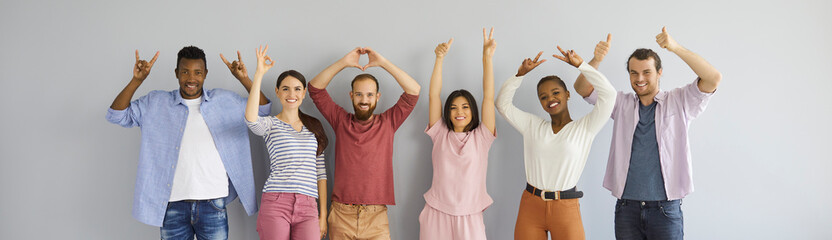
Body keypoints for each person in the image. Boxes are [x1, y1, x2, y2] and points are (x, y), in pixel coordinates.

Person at [105, 46, 271, 239]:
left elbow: (263, 110)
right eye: (185, 72)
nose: (191, 78)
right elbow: (116, 115)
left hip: (213, 203)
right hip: (172, 205)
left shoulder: (225, 101)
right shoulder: (156, 103)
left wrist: (244, 79)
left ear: (205, 74)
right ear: (176, 73)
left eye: (198, 73)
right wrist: (137, 80)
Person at [573, 27, 722, 240]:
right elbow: (582, 88)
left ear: (659, 72)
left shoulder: (679, 101)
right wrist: (595, 61)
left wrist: (675, 47)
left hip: (665, 210)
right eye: (634, 73)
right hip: (627, 209)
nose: (639, 78)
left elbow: (713, 78)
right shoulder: (620, 103)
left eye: (646, 72)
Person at [496, 46, 616, 240]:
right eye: (543, 97)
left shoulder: (585, 128)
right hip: (531, 205)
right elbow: (502, 105)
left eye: (555, 93)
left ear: (567, 94)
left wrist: (581, 65)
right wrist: (519, 75)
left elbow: (609, 95)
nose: (550, 99)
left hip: (565, 207)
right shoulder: (532, 125)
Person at [307, 47, 421, 240]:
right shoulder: (341, 121)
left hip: (376, 217)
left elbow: (413, 91)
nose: (364, 100)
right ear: (351, 96)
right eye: (359, 94)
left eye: (369, 95)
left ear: (377, 97)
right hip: (341, 214)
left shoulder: (388, 122)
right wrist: (344, 62)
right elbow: (315, 89)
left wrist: (383, 62)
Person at [243, 46, 329, 240]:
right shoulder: (271, 124)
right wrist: (259, 74)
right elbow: (250, 119)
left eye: (297, 89)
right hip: (276, 201)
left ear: (304, 92)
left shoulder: (314, 127)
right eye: (286, 89)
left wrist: (322, 215)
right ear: (278, 92)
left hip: (308, 206)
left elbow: (320, 174)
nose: (292, 94)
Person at [419, 28, 498, 240]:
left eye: (465, 107)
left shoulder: (482, 137)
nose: (459, 112)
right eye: (453, 107)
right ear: (447, 112)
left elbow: (488, 98)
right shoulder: (439, 133)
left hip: (470, 214)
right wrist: (439, 59)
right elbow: (433, 95)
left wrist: (486, 58)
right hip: (437, 212)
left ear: (473, 110)